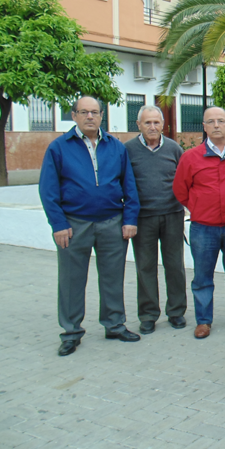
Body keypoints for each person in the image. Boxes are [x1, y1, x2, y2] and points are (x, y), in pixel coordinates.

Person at [39, 96, 141, 356]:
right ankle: (71, 331)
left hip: (111, 222)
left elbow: (129, 185)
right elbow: (48, 190)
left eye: (94, 112)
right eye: (83, 112)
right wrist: (58, 224)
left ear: (101, 115)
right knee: (72, 280)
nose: (90, 117)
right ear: (73, 115)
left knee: (113, 277)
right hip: (74, 224)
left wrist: (130, 219)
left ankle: (114, 324)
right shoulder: (59, 148)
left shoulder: (115, 147)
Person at [173, 107, 225, 340]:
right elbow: (180, 190)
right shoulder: (190, 157)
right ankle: (203, 321)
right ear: (204, 126)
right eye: (211, 121)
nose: (216, 125)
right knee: (202, 277)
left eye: (221, 121)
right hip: (203, 228)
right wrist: (199, 207)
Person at [124, 105, 187, 335]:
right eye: (147, 122)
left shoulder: (174, 148)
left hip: (172, 215)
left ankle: (177, 312)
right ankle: (148, 315)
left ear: (163, 125)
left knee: (175, 266)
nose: (152, 127)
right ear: (138, 125)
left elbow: (183, 178)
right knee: (145, 268)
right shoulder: (128, 150)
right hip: (142, 218)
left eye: (156, 122)